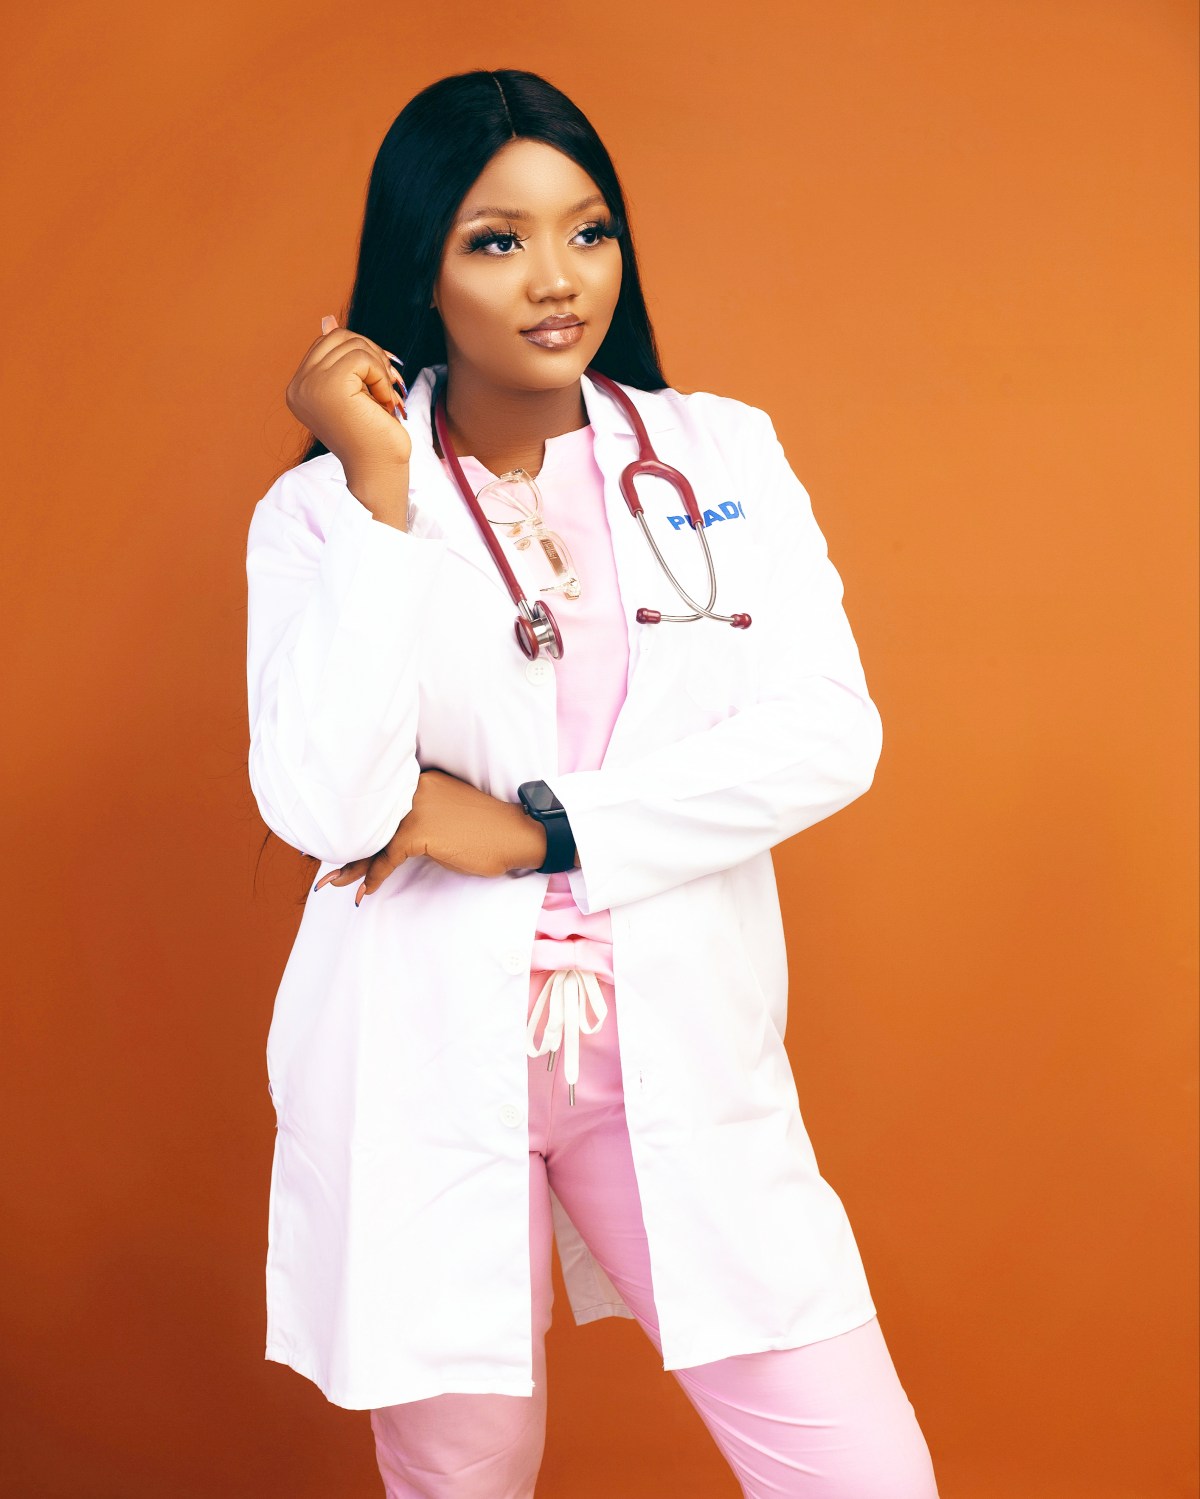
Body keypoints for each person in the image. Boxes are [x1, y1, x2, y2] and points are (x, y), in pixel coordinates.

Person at [245, 67, 940, 1499]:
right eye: (496, 240)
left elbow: (828, 732)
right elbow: (323, 804)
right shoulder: (322, 513)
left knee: (859, 1472)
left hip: (669, 1047)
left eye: (589, 230)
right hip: (425, 1051)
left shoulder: (720, 453)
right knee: (465, 1474)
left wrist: (537, 832)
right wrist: (379, 488)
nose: (558, 279)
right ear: (422, 267)